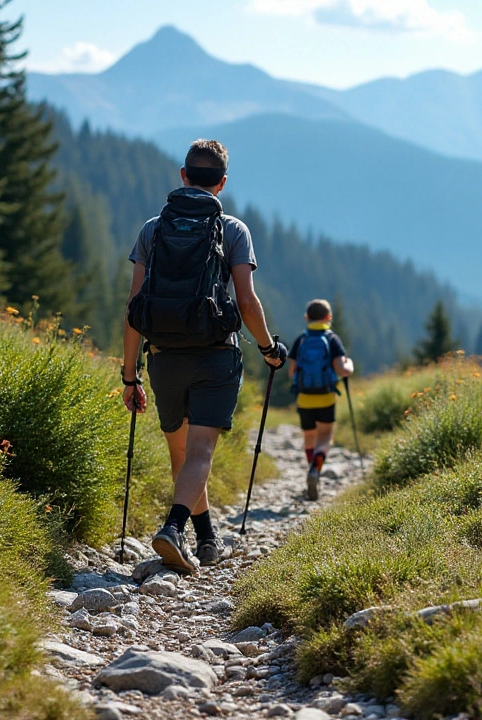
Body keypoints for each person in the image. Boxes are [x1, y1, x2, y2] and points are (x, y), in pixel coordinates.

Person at [121, 139, 287, 576]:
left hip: (163, 355)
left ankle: (207, 539)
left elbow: (134, 307)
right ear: (222, 182)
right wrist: (269, 350)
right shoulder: (233, 230)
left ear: (183, 175)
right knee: (200, 453)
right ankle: (175, 528)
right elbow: (247, 303)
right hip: (215, 355)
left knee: (182, 452)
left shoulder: (152, 229)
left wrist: (129, 376)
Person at [288, 299, 354, 501]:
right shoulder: (332, 339)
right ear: (329, 318)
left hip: (304, 398)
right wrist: (349, 364)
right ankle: (316, 469)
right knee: (325, 437)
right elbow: (342, 370)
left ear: (307, 318)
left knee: (309, 437)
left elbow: (292, 373)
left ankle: (311, 468)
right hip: (325, 397)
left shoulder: (300, 340)